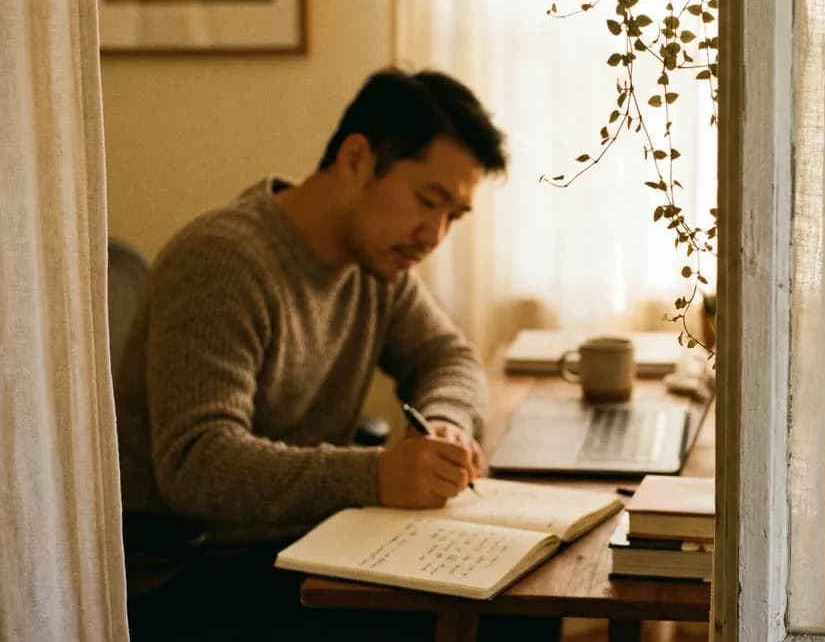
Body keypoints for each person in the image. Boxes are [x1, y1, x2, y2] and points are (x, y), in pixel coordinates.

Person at [115, 67, 558, 641]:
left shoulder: (378, 263)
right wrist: (373, 474)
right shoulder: (221, 262)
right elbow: (196, 463)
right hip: (188, 575)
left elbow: (448, 358)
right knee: (505, 624)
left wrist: (447, 423)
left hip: (298, 542)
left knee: (521, 596)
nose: (434, 234)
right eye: (428, 201)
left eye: (453, 216)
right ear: (356, 160)